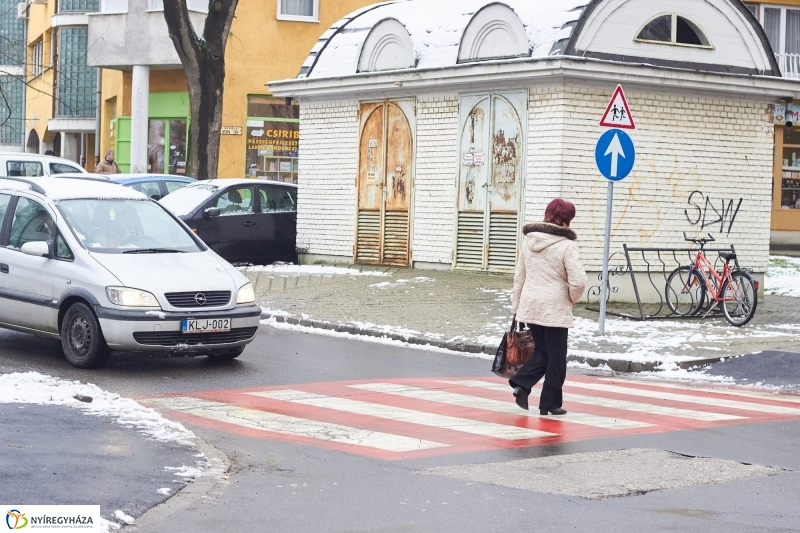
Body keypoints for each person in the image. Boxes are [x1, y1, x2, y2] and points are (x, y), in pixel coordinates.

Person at [509, 198, 587, 415]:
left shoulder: (529, 241)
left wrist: (516, 308)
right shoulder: (567, 245)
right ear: (564, 221)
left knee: (542, 353)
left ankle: (522, 385)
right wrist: (571, 298)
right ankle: (550, 403)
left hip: (530, 305)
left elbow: (519, 277)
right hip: (554, 309)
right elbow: (578, 281)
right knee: (557, 358)